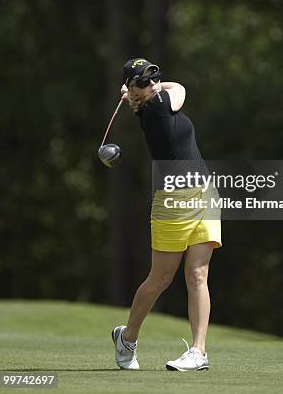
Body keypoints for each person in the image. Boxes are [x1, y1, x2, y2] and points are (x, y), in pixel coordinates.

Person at [111, 57, 222, 372]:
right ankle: (128, 338)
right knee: (160, 278)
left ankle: (199, 352)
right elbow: (180, 88)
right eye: (143, 81)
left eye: (153, 77)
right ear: (135, 89)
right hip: (172, 202)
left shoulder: (150, 102)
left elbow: (167, 88)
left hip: (204, 194)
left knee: (198, 274)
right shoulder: (158, 106)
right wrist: (140, 93)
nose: (152, 83)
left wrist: (132, 93)